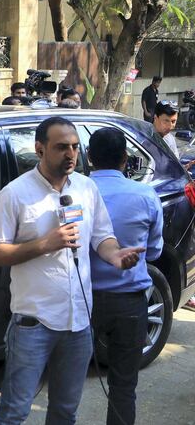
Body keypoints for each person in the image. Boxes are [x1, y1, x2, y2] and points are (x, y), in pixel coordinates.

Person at [0, 116, 143, 425]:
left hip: (79, 323)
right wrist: (45, 244)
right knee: (14, 411)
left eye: (74, 147)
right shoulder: (14, 194)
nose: (70, 154)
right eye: (61, 148)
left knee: (65, 412)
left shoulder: (86, 188)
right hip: (33, 324)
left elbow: (101, 236)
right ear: (39, 149)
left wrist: (115, 256)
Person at [88, 127, 163, 425]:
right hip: (129, 303)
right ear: (125, 159)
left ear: (89, 157)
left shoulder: (73, 191)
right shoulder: (145, 195)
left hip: (80, 299)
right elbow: (155, 251)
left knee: (64, 385)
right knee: (123, 386)